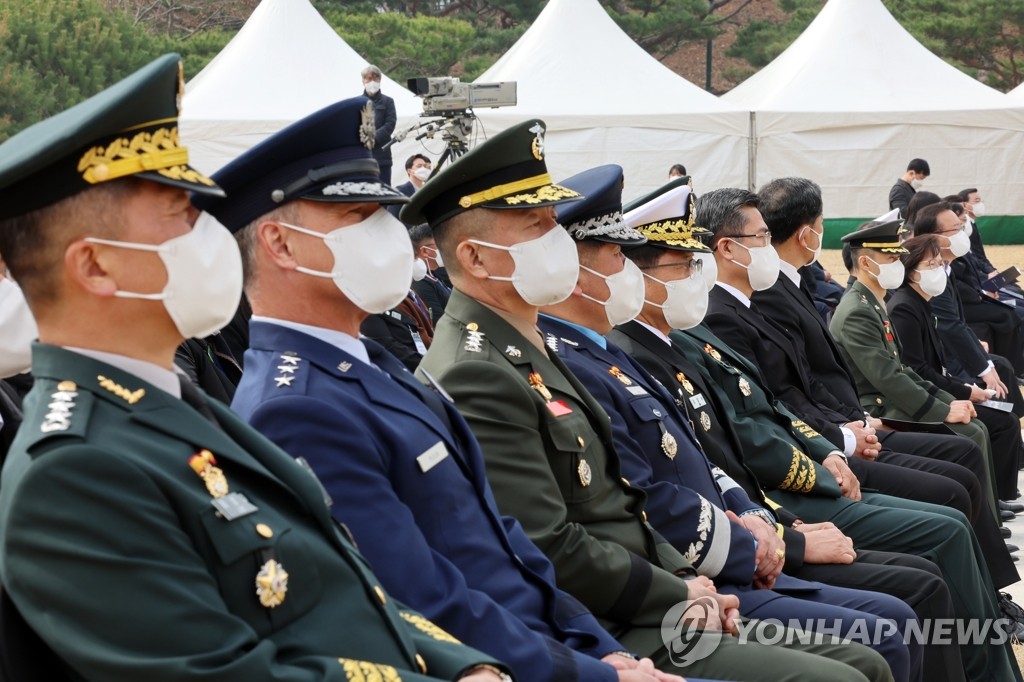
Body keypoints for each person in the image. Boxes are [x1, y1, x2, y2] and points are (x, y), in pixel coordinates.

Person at [0, 54, 509, 682]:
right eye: (182, 217)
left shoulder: (177, 406)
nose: (213, 236)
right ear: (96, 267)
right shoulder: (75, 472)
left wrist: (466, 665)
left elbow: (347, 589)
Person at [202, 98, 690, 682]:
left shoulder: (370, 362)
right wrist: (595, 672)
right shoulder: (296, 407)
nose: (389, 235)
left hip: (569, 646)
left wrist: (592, 645)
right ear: (281, 245)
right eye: (360, 216)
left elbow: (503, 541)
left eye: (386, 214)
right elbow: (421, 596)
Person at [407, 119, 896, 682]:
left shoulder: (528, 345)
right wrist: (678, 590)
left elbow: (621, 499)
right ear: (475, 257)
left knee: (868, 651)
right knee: (854, 668)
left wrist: (692, 578)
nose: (558, 241)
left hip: (660, 584)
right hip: (614, 621)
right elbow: (551, 542)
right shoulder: (477, 369)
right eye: (537, 227)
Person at [539, 164, 919, 682]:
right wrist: (772, 542)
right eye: (617, 256)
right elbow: (643, 497)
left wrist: (760, 516)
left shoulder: (613, 349)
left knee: (899, 608)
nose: (626, 269)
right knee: (882, 633)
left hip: (743, 534)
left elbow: (704, 452)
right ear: (579, 271)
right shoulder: (589, 357)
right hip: (696, 576)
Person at [752, 177, 1019, 571]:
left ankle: (988, 548)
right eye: (894, 257)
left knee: (969, 442)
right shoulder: (848, 304)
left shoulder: (854, 299)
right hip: (856, 423)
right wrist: (854, 428)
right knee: (961, 456)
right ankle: (988, 565)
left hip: (851, 422)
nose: (903, 264)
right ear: (808, 232)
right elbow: (880, 379)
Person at [410, 222, 452, 324]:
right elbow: (438, 324)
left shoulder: (433, 276)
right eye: (439, 244)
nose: (445, 248)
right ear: (425, 251)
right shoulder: (422, 283)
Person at [361, 64, 397, 184]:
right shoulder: (357, 102)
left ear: (380, 80)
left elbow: (390, 124)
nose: (372, 82)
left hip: (382, 156)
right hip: (363, 157)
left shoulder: (388, 101)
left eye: (375, 79)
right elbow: (354, 125)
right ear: (363, 81)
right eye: (368, 79)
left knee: (384, 194)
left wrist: (373, 138)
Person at [389, 154, 433, 221]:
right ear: (409, 171)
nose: (423, 169)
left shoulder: (430, 190)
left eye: (424, 166)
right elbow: (392, 218)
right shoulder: (400, 192)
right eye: (419, 166)